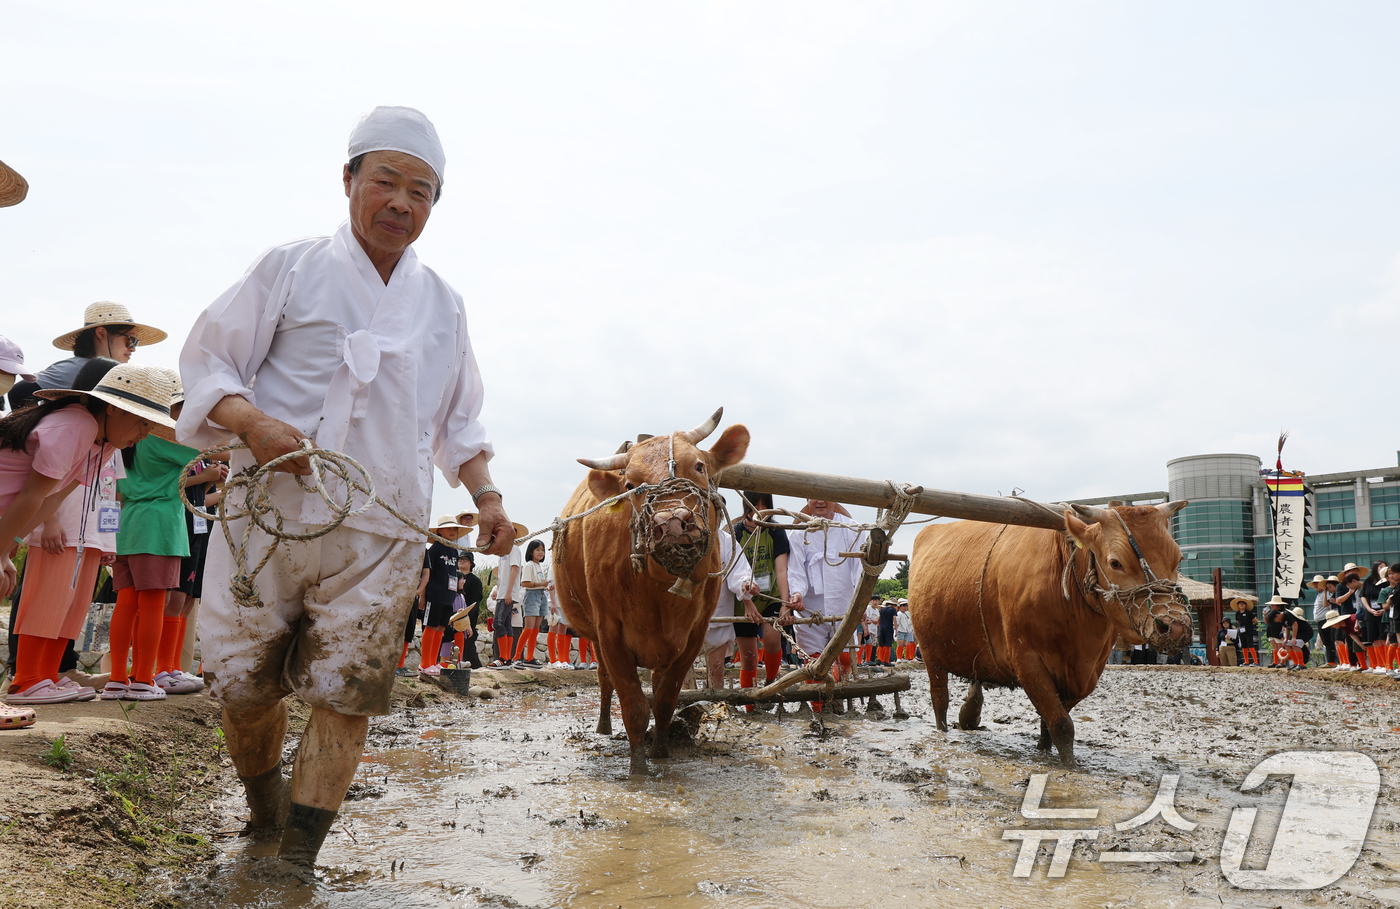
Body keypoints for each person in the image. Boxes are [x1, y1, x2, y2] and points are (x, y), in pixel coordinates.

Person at [176, 106, 515, 871]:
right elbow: (208, 367)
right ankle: (263, 816)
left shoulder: (445, 305)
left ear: (434, 205)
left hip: (382, 529)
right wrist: (255, 426)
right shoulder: (290, 266)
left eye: (420, 191)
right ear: (349, 180)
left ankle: (295, 864)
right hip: (270, 515)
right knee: (243, 687)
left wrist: (487, 495)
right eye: (386, 181)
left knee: (348, 695)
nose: (401, 202)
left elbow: (461, 421)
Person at [1, 363, 176, 715]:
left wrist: (9, 545)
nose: (145, 434)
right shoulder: (78, 424)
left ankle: (43, 675)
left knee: (70, 605)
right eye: (142, 421)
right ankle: (27, 679)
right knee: (48, 600)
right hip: (48, 531)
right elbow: (34, 495)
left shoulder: (102, 442)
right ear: (112, 406)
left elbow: (54, 496)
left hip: (70, 532)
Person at [103, 371, 201, 701]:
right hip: (159, 526)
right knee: (154, 604)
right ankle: (145, 678)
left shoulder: (125, 440)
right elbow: (209, 455)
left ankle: (118, 678)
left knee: (126, 603)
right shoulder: (162, 438)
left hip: (128, 523)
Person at [787, 498, 866, 710]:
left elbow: (860, 570)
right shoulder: (798, 533)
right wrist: (797, 593)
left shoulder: (854, 529)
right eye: (814, 496)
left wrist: (862, 603)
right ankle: (818, 710)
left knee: (845, 658)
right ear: (807, 500)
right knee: (812, 661)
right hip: (810, 610)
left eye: (825, 495)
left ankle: (836, 697)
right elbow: (795, 571)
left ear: (835, 499)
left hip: (844, 607)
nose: (820, 501)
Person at [731, 492, 791, 693]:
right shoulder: (736, 532)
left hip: (770, 596)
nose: (760, 510)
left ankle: (771, 681)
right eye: (755, 504)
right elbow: (731, 571)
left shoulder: (776, 531)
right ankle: (750, 705)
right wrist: (747, 600)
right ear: (745, 504)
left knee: (773, 639)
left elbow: (782, 570)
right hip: (743, 600)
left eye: (765, 505)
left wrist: (785, 603)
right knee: (748, 659)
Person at [412, 515, 471, 676]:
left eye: (455, 528)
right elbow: (426, 573)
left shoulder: (453, 550)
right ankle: (424, 664)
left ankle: (434, 662)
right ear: (439, 531)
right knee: (430, 627)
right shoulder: (435, 549)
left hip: (448, 597)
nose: (453, 531)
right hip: (434, 595)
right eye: (449, 528)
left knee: (441, 629)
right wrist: (423, 596)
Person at [702, 530, 758, 690]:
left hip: (718, 614)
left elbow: (740, 572)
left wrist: (746, 585)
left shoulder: (727, 541)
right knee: (682, 675)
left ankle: (716, 711)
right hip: (684, 619)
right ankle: (684, 710)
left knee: (717, 671)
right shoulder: (681, 535)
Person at [491, 526, 526, 668]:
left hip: (508, 593)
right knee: (505, 624)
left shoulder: (514, 549)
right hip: (503, 592)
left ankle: (504, 658)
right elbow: (502, 574)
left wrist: (509, 592)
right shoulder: (503, 552)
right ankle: (507, 659)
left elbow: (515, 569)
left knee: (498, 623)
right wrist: (498, 590)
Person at [513, 540, 550, 668]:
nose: (541, 552)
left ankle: (529, 657)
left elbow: (538, 582)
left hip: (541, 595)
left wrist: (545, 586)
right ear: (531, 552)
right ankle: (517, 657)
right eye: (538, 550)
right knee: (529, 628)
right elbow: (524, 583)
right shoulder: (529, 565)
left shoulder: (538, 565)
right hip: (532, 595)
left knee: (535, 629)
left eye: (542, 550)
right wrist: (541, 584)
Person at [1262, 595, 1289, 668]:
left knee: (1281, 647)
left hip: (1279, 630)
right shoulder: (1270, 612)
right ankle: (1275, 662)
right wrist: (1264, 615)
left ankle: (1282, 662)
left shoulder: (1283, 612)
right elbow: (1267, 622)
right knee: (1274, 647)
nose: (1272, 605)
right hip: (1270, 630)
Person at [876, 598, 898, 666]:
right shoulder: (893, 610)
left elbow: (879, 619)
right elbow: (894, 619)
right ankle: (887, 661)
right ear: (894, 604)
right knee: (888, 645)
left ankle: (880, 659)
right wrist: (896, 630)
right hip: (889, 628)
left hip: (882, 628)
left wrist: (879, 627)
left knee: (881, 644)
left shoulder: (882, 609)